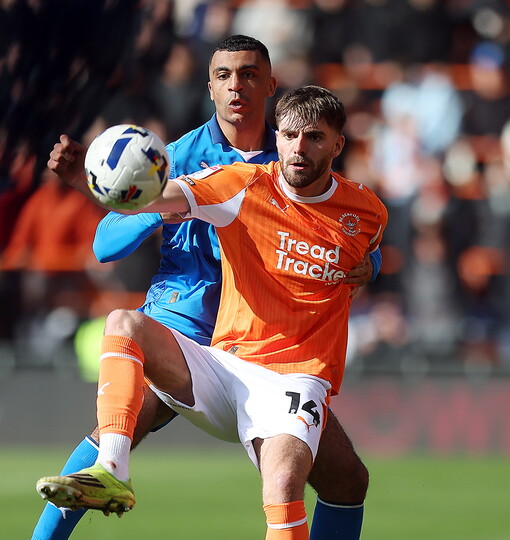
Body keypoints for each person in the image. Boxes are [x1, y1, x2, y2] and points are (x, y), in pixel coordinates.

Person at [32, 35, 380, 540]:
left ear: (271, 88)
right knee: (121, 426)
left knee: (347, 479)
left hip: (274, 340)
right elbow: (107, 243)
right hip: (186, 323)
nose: (236, 86)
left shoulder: (295, 147)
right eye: (223, 76)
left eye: (248, 75)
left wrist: (371, 261)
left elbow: (343, 229)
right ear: (210, 88)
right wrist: (113, 188)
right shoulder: (183, 157)